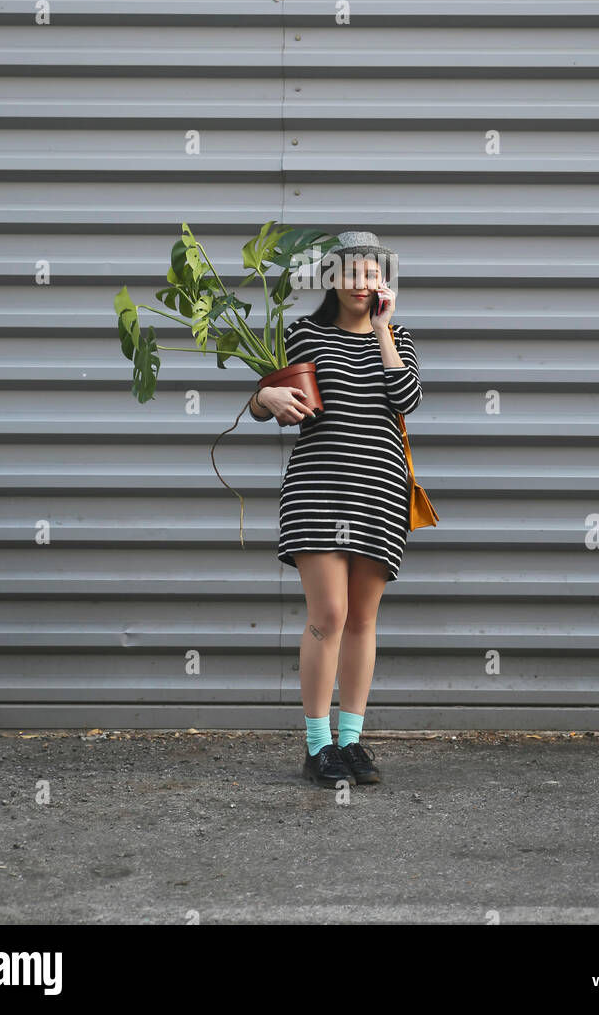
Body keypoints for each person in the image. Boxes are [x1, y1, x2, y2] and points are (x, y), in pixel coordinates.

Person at [248, 230, 423, 788]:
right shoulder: (302, 333)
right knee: (329, 617)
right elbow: (265, 402)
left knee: (364, 620)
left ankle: (351, 742)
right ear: (332, 278)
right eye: (351, 272)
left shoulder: (397, 338)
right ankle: (318, 746)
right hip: (319, 490)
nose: (362, 282)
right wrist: (263, 397)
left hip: (379, 491)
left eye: (372, 273)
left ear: (383, 283)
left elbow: (407, 400)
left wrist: (382, 331)